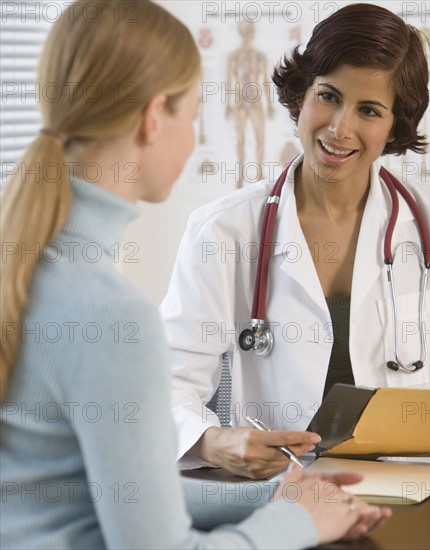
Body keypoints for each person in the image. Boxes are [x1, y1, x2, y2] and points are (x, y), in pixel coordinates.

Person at [0, 1, 391, 548]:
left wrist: (273, 497)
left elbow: (108, 491)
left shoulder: (30, 271)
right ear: (154, 117)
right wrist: (298, 523)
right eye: (191, 115)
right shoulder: (110, 318)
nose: (192, 135)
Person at [161, 3, 430, 480]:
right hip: (284, 496)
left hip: (418, 490)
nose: (339, 127)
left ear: (395, 125)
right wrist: (213, 441)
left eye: (369, 110)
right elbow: (168, 383)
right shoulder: (224, 231)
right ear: (301, 92)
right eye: (329, 96)